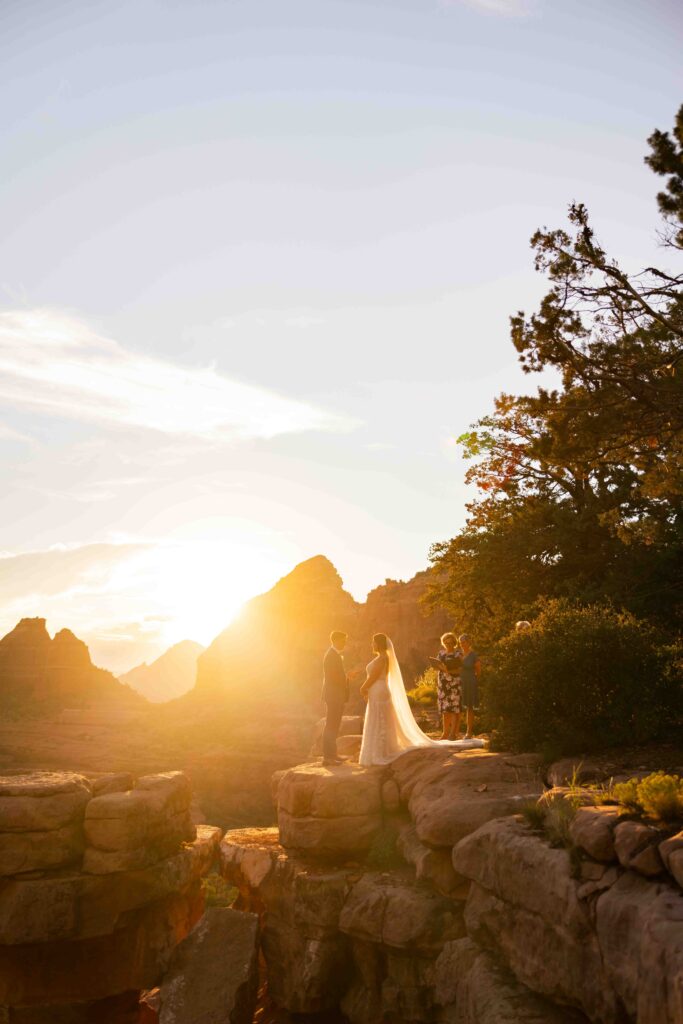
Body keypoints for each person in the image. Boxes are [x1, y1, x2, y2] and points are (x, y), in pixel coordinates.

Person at [358, 633, 484, 767]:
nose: (371, 644)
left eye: (373, 642)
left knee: (379, 719)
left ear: (379, 643)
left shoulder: (382, 658)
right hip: (382, 690)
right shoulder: (384, 658)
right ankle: (381, 749)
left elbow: (374, 676)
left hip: (380, 690)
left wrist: (363, 688)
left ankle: (380, 751)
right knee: (380, 719)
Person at [321, 630, 350, 766]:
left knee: (334, 725)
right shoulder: (331, 656)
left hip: (336, 694)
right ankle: (328, 758)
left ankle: (333, 755)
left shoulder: (334, 655)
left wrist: (347, 677)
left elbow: (336, 676)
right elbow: (333, 677)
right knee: (331, 725)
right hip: (333, 695)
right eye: (343, 641)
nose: (345, 643)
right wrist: (346, 678)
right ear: (336, 640)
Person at [429, 633, 462, 740]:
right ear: (443, 643)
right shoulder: (441, 653)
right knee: (445, 709)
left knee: (454, 709)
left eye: (450, 642)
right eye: (446, 642)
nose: (448, 644)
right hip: (443, 684)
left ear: (454, 642)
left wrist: (448, 670)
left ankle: (453, 733)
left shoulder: (458, 654)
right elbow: (436, 667)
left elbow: (461, 670)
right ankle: (445, 733)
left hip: (454, 683)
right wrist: (438, 666)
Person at [458, 634, 481, 739]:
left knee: (469, 707)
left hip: (470, 681)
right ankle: (455, 731)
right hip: (459, 682)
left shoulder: (473, 655)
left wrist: (474, 679)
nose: (462, 644)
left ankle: (469, 731)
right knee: (457, 706)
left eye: (464, 642)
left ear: (469, 642)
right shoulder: (459, 654)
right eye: (461, 642)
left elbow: (478, 670)